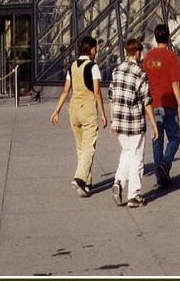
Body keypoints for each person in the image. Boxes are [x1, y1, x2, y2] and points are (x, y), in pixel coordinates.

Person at [49, 35, 109, 197]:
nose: (96, 51)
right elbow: (97, 93)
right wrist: (103, 114)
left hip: (74, 109)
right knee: (89, 146)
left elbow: (65, 91)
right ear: (90, 49)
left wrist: (56, 111)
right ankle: (80, 178)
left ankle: (87, 184)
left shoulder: (72, 66)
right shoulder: (93, 67)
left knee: (81, 147)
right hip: (87, 109)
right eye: (95, 48)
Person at [108, 39, 158, 208]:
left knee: (126, 153)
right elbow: (146, 101)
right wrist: (154, 124)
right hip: (135, 122)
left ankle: (119, 181)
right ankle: (133, 195)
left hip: (119, 121)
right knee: (136, 157)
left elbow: (111, 97)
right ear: (137, 53)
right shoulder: (140, 73)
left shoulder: (116, 71)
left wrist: (113, 121)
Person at [143, 23, 180, 187]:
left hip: (153, 104)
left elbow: (144, 81)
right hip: (169, 103)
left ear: (155, 38)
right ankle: (165, 163)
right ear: (168, 37)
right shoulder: (171, 57)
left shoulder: (148, 57)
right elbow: (175, 83)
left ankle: (160, 176)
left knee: (157, 139)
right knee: (174, 137)